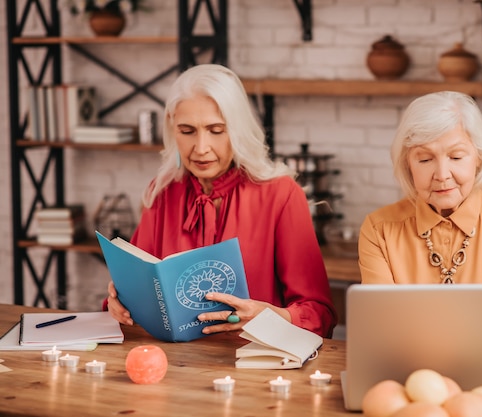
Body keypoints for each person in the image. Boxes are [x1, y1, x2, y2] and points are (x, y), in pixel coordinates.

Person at [106, 64, 337, 338]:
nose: (201, 148)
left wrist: (269, 316)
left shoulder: (281, 194)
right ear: (172, 128)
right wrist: (119, 302)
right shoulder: (162, 191)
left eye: (216, 130)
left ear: (237, 130)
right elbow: (134, 290)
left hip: (255, 365)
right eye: (187, 131)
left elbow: (320, 315)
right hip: (174, 364)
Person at [358, 91, 482, 284]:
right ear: (408, 165)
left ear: (479, 158)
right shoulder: (379, 230)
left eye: (456, 157)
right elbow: (382, 314)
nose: (442, 175)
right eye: (425, 159)